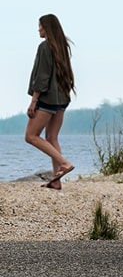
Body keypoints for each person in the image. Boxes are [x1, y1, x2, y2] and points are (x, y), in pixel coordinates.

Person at [26, 13, 76, 189]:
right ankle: (56, 181)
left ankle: (64, 163)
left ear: (47, 28)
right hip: (62, 98)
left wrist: (33, 101)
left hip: (47, 99)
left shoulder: (45, 47)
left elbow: (42, 77)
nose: (38, 29)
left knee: (31, 136)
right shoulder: (62, 46)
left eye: (40, 26)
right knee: (52, 137)